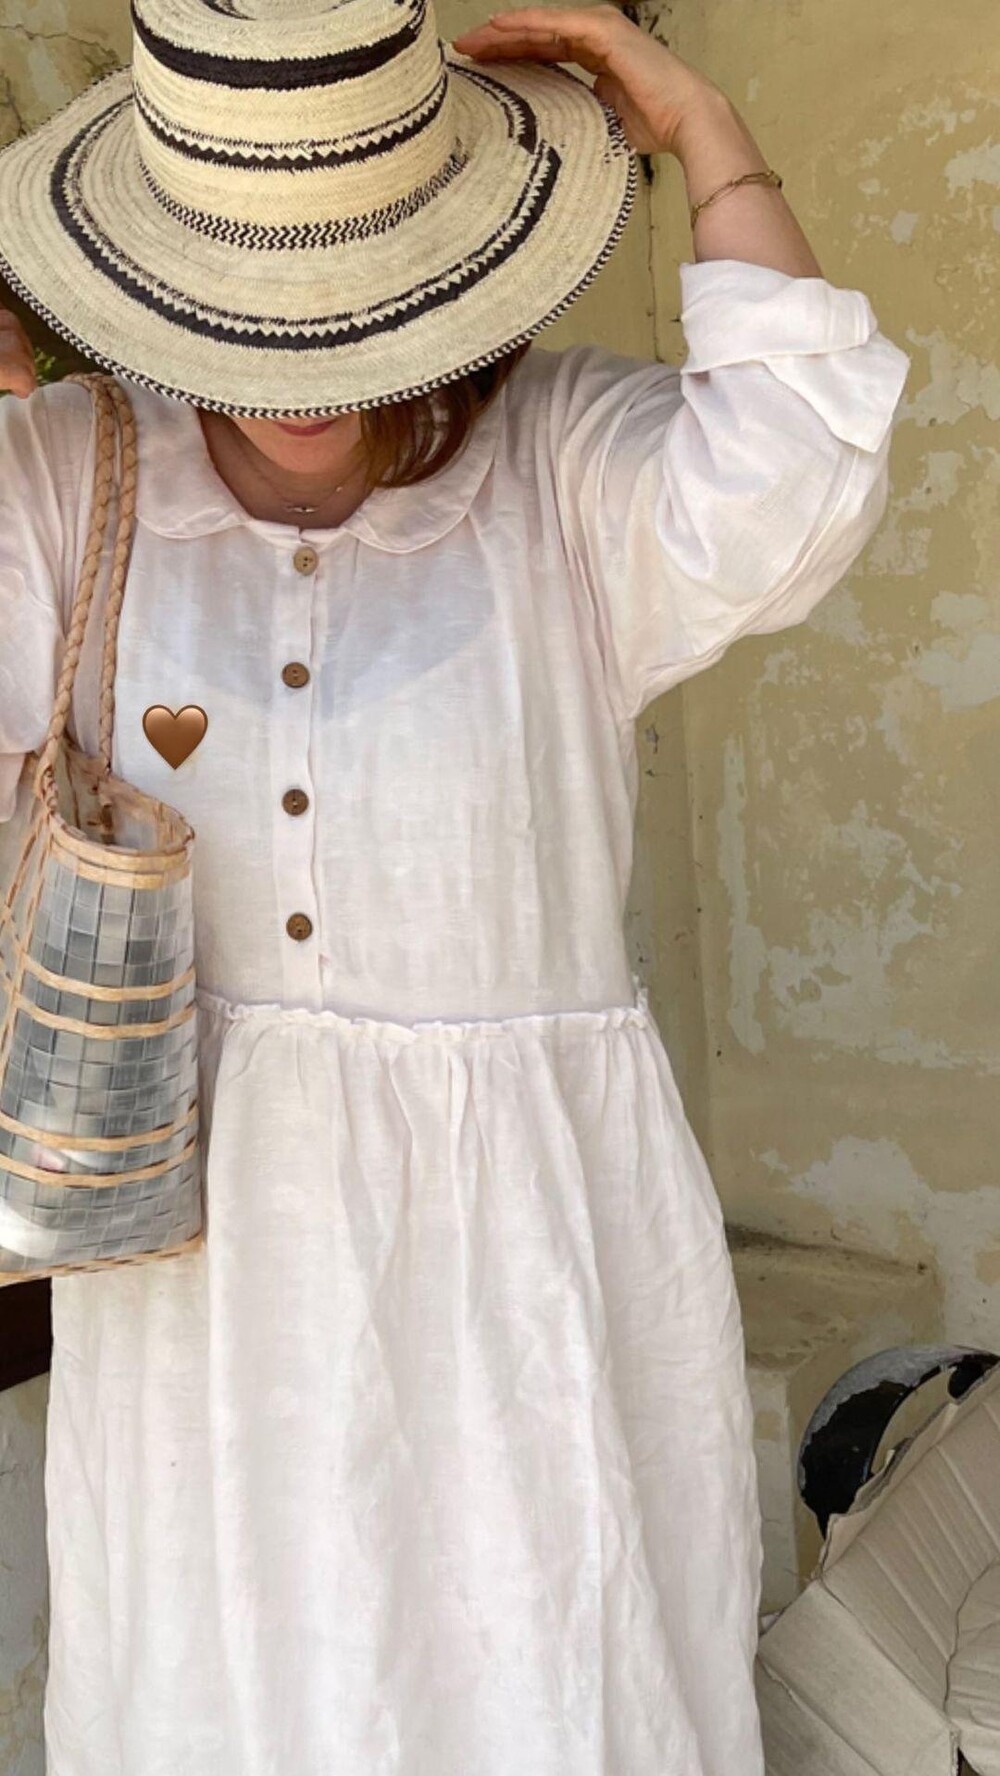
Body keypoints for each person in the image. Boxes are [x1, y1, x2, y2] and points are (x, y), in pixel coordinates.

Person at [0, 3, 910, 1772]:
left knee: (538, 1653)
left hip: (527, 1246)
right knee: (241, 1681)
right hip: (206, 1256)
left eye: (353, 301)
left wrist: (702, 128)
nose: (304, 369)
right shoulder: (67, 477)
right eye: (246, 314)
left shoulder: (562, 465)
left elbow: (799, 464)